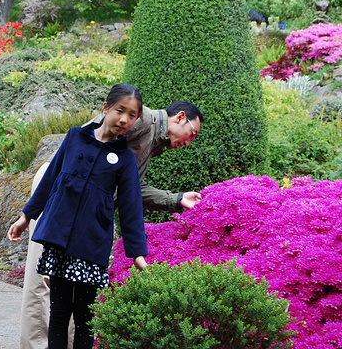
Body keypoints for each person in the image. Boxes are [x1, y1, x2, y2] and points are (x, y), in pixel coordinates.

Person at [17, 99, 205, 349]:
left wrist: (176, 199)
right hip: (64, 191)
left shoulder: (150, 141)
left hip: (87, 205)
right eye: (192, 134)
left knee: (80, 308)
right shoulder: (143, 120)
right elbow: (92, 136)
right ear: (180, 117)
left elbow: (131, 191)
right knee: (45, 283)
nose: (188, 142)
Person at [8, 84, 150, 349]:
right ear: (106, 108)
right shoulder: (74, 137)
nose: (124, 120)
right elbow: (49, 181)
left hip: (91, 245)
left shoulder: (125, 158)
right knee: (59, 314)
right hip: (59, 240)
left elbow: (131, 207)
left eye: (132, 115)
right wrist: (26, 216)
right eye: (120, 111)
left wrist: (138, 255)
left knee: (85, 318)